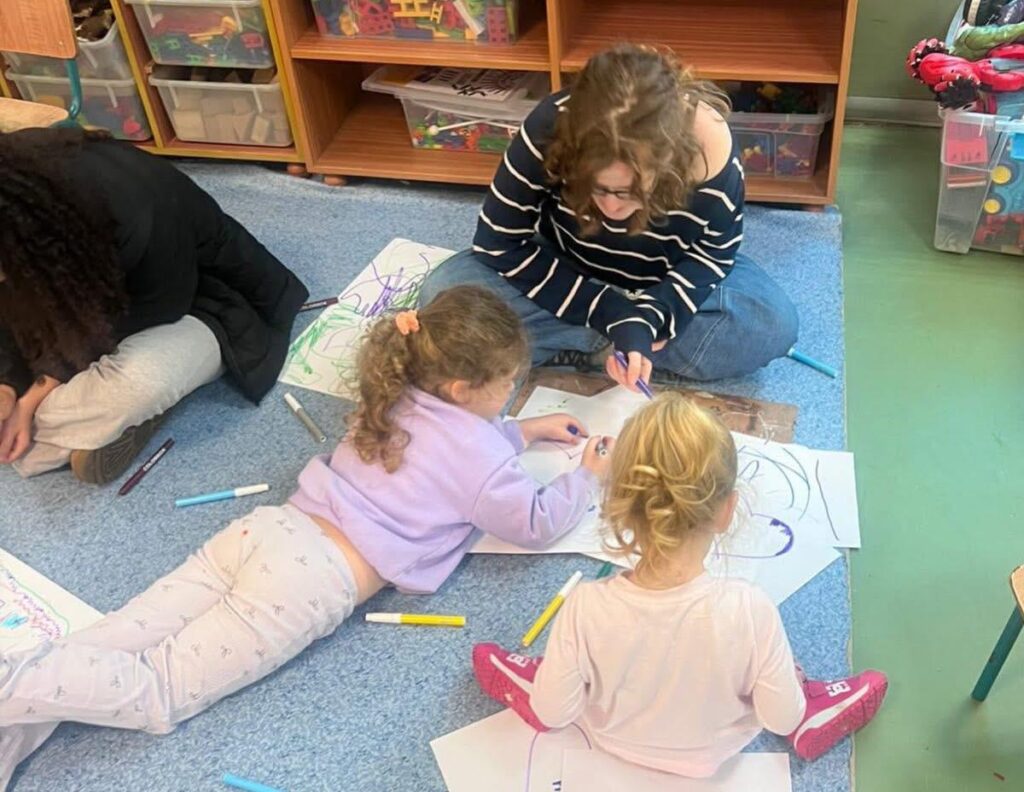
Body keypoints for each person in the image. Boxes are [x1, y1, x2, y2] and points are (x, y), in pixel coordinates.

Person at [0, 286, 606, 783]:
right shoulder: (483, 461)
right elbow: (535, 522)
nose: (512, 395)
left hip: (268, 530)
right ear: (461, 389)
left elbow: (451, 453)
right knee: (160, 693)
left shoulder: (397, 391)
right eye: (509, 384)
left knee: (108, 640)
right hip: (306, 584)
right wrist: (586, 477)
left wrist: (523, 431)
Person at [473, 393, 887, 774]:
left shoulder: (585, 606)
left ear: (619, 503)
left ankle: (538, 676)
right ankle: (814, 705)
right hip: (715, 752)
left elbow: (554, 713)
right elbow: (780, 718)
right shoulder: (749, 608)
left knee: (555, 685)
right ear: (726, 510)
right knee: (787, 687)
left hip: (611, 741)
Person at [418, 44, 798, 393]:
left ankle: (595, 343)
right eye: (596, 189)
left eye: (630, 192)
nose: (611, 209)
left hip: (661, 281)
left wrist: (651, 317)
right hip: (568, 267)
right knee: (443, 292)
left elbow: (712, 256)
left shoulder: (709, 150)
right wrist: (609, 312)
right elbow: (498, 242)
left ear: (669, 157)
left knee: (771, 324)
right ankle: (620, 346)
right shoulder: (550, 125)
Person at [0, 127, 308, 484]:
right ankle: (83, 429)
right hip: (86, 307)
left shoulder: (136, 212)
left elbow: (142, 316)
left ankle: (76, 425)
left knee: (136, 384)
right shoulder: (19, 193)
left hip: (201, 304)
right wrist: (7, 383)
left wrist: (32, 398)